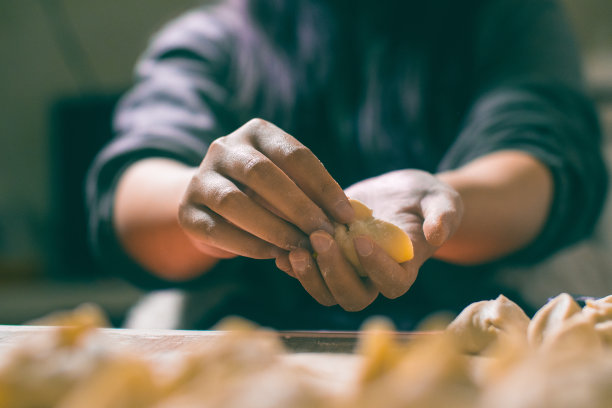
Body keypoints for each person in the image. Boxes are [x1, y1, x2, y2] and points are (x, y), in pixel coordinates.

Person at [87, 0, 608, 330]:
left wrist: (448, 203)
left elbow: (548, 165)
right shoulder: (209, 39)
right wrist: (208, 207)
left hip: (476, 345)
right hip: (243, 347)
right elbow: (128, 196)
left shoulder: (512, 18)